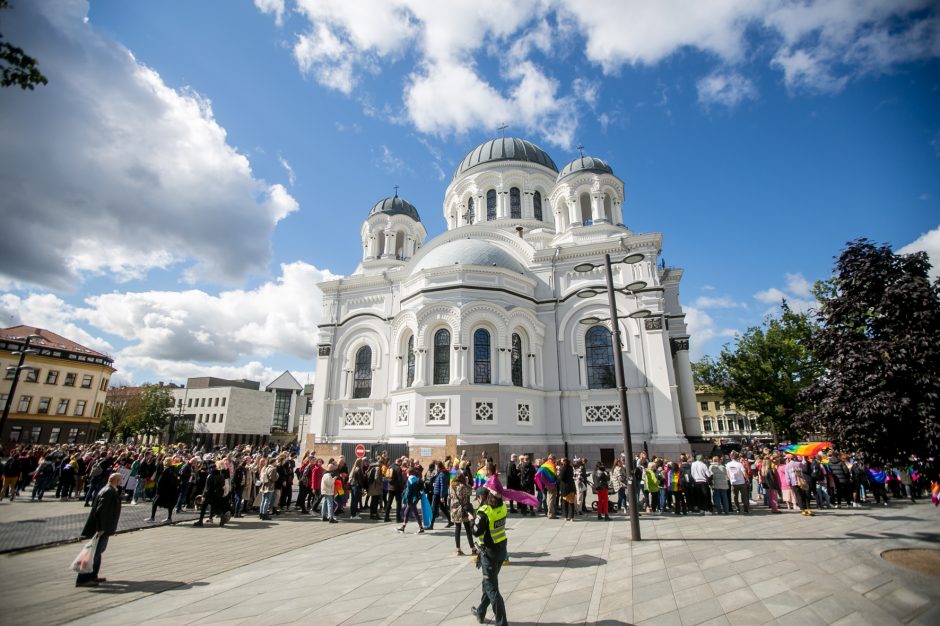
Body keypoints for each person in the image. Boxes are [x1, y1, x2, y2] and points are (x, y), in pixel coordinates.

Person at [76, 473, 123, 587]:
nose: (121, 482)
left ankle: (93, 576)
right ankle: (84, 579)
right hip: (102, 528)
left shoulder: (110, 490)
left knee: (98, 552)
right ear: (114, 480)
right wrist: (101, 527)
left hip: (104, 527)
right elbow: (101, 510)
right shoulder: (108, 491)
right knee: (94, 553)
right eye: (120, 480)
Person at [470, 489, 509, 626]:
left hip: (489, 553)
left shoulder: (485, 512)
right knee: (487, 583)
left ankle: (501, 622)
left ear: (485, 496)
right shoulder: (503, 506)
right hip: (501, 550)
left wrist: (472, 520)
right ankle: (480, 612)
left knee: (492, 588)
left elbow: (475, 531)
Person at [450, 472, 476, 556]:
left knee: (457, 529)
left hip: (455, 510)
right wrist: (467, 483)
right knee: (468, 529)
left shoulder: (451, 486)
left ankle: (458, 549)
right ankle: (473, 548)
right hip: (463, 510)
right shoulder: (463, 486)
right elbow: (470, 492)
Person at [147, 457, 179, 523]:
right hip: (172, 491)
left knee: (155, 503)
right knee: (170, 504)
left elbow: (161, 481)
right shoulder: (174, 469)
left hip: (163, 491)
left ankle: (152, 517)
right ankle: (169, 518)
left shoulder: (166, 470)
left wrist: (158, 489)